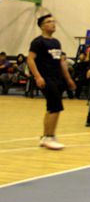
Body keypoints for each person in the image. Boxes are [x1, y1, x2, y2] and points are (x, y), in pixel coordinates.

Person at [27, 14, 76, 150]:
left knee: (51, 108)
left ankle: (46, 137)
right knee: (56, 106)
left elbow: (61, 62)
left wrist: (68, 79)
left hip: (57, 78)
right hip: (46, 78)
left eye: (53, 21)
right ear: (42, 26)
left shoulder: (56, 42)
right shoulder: (38, 42)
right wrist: (38, 77)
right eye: (49, 21)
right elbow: (30, 59)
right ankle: (49, 137)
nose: (53, 23)